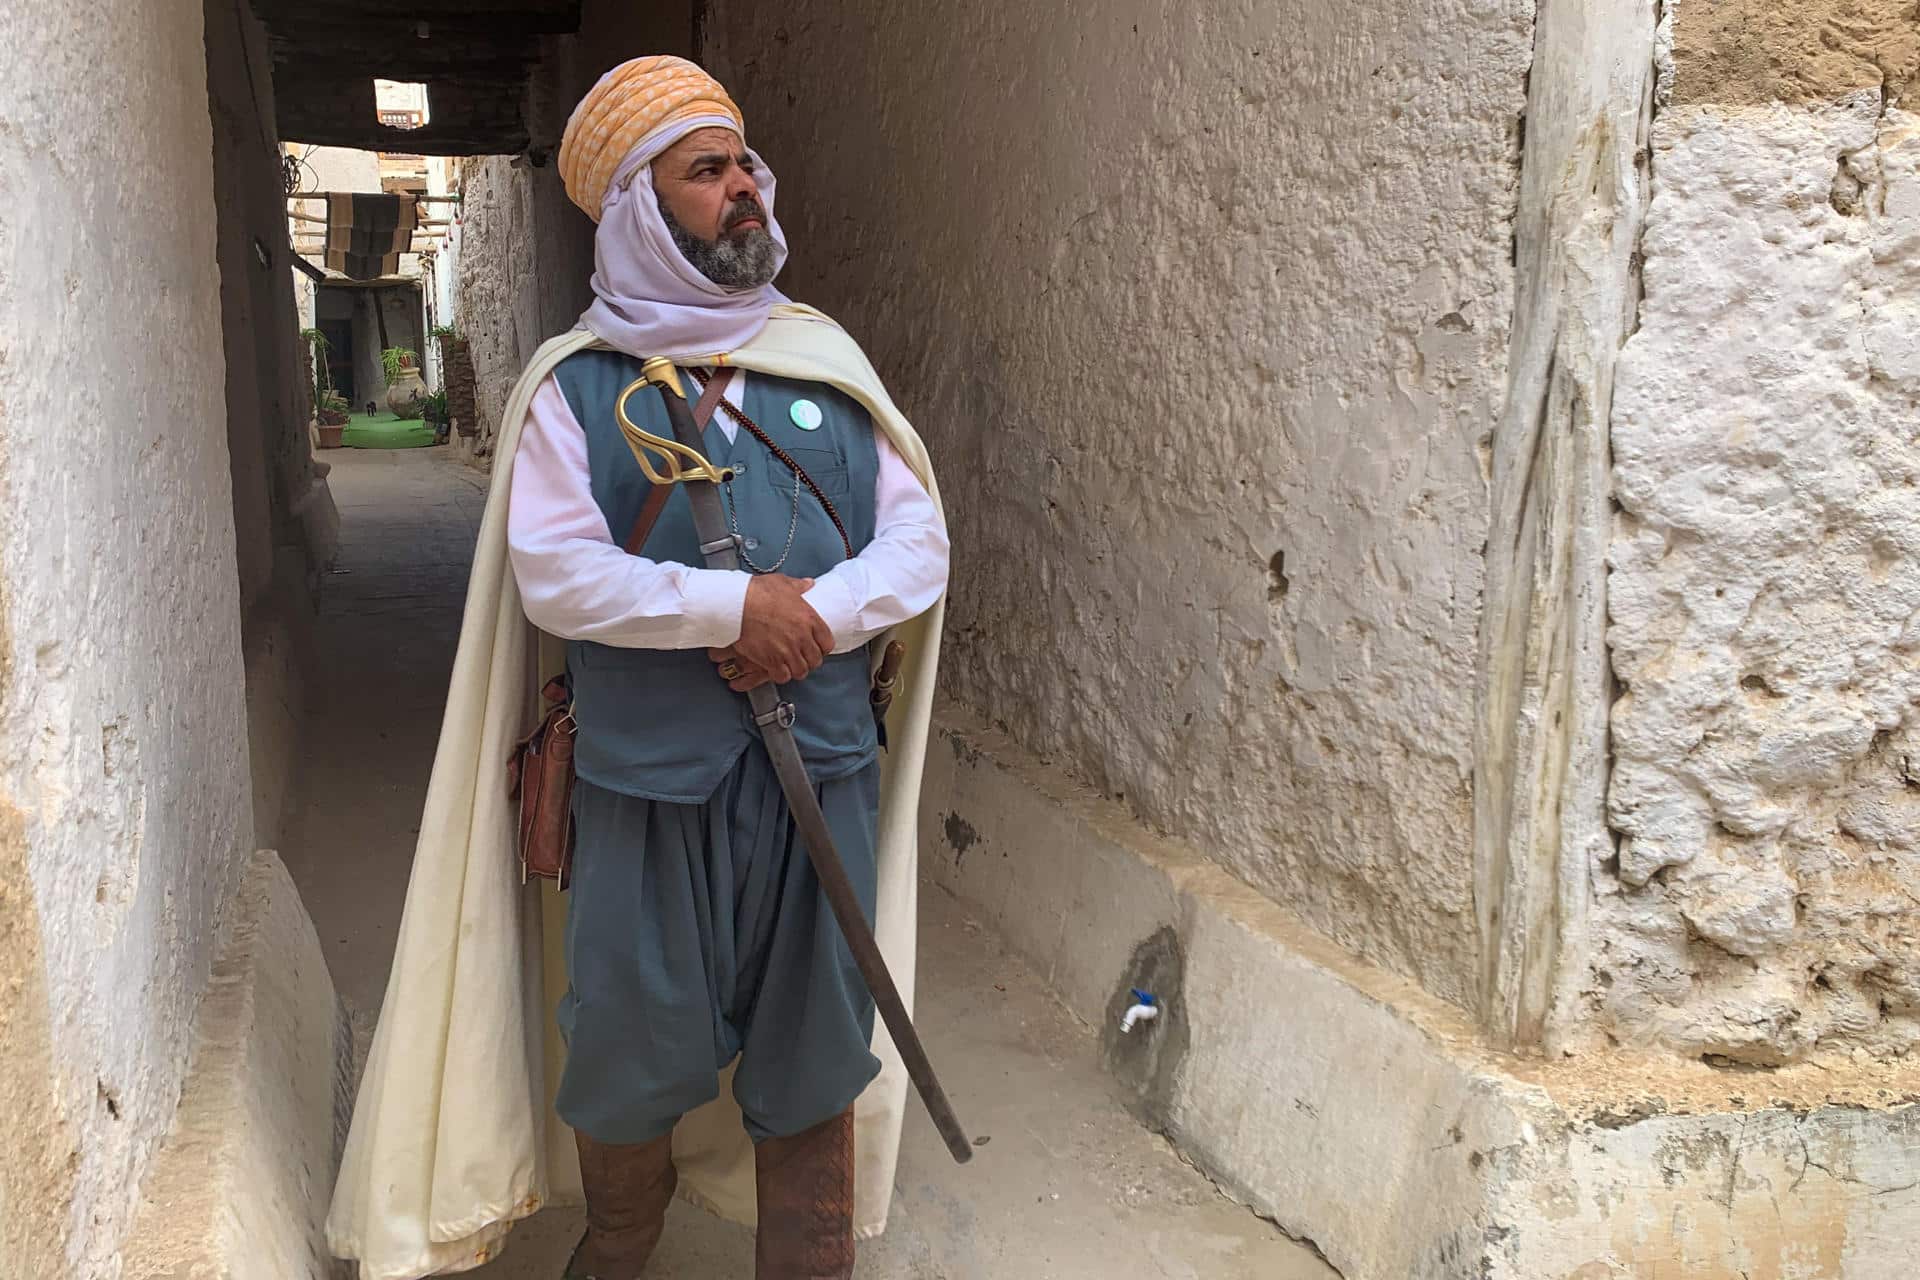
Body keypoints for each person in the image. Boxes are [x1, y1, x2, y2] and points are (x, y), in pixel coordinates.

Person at [326, 54, 950, 1280]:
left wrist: (807, 615)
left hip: (821, 773)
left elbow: (917, 538)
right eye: (705, 172)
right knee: (626, 1040)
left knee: (817, 1039)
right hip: (647, 786)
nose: (743, 191)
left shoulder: (826, 358)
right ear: (639, 208)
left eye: (744, 167)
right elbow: (555, 573)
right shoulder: (576, 383)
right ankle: (618, 1246)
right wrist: (733, 608)